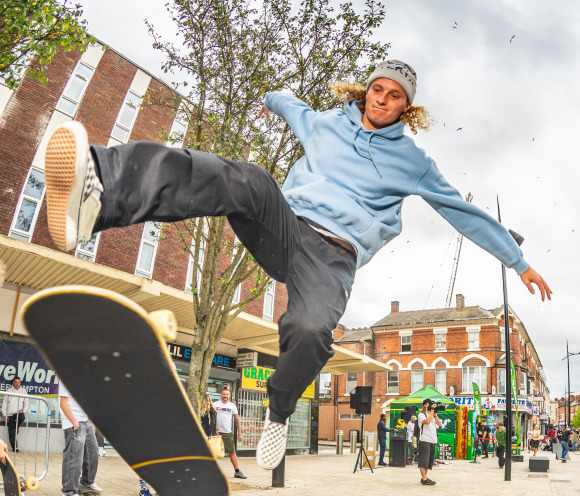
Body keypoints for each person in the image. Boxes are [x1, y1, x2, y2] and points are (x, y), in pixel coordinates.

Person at [42, 60, 551, 472]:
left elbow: (459, 210)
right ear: (365, 90)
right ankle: (101, 190)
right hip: (285, 225)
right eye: (378, 89)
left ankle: (279, 412)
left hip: (333, 255)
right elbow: (289, 102)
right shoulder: (327, 122)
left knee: (309, 330)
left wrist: (519, 260)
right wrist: (267, 102)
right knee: (246, 179)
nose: (383, 100)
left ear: (407, 108)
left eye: (396, 96)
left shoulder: (412, 161)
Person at [59, 381, 101, 496]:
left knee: (93, 452)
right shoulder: (65, 378)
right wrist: (74, 422)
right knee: (74, 456)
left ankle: (87, 481)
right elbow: (63, 403)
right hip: (74, 421)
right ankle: (68, 491)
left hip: (85, 421)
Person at [213, 388, 246, 479]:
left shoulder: (232, 406)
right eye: (224, 394)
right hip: (215, 433)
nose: (225, 396)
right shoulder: (215, 404)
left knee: (232, 452)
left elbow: (237, 420)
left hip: (227, 433)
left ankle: (237, 471)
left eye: (227, 394)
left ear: (229, 396)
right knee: (212, 452)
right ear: (221, 395)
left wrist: (240, 433)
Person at [417, 398, 442, 485]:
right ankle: (424, 479)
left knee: (428, 461)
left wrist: (434, 415)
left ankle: (425, 477)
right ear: (425, 404)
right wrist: (431, 413)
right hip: (424, 440)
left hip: (433, 440)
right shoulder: (421, 414)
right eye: (430, 404)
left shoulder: (433, 415)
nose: (432, 406)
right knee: (423, 460)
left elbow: (439, 424)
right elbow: (427, 422)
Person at [2, 377, 29, 453]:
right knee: (12, 431)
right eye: (16, 382)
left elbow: (26, 402)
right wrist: (4, 414)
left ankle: (15, 428)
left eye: (18, 382)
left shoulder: (23, 391)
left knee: (21, 417)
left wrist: (24, 410)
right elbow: (4, 403)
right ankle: (15, 448)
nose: (17, 383)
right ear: (13, 382)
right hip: (10, 415)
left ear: (20, 383)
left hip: (18, 414)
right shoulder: (9, 391)